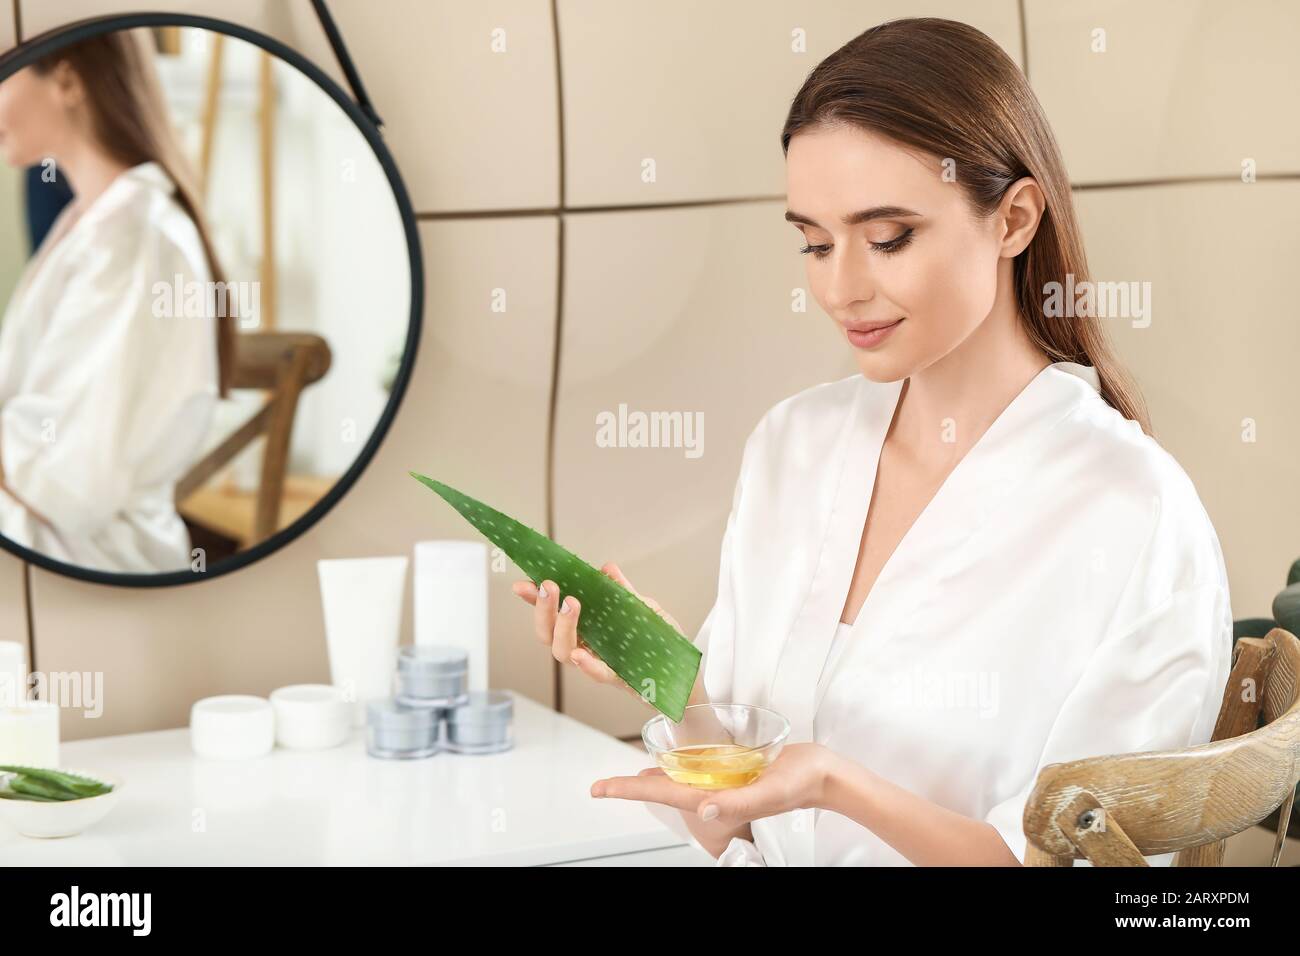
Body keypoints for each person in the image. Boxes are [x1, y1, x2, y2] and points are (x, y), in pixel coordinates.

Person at [512, 18, 1231, 866]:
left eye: (889, 239)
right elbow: (749, 807)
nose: (841, 287)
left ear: (1014, 220)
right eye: (814, 243)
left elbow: (1092, 868)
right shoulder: (794, 446)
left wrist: (833, 782)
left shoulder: (1132, 512)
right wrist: (665, 675)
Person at [0, 30, 234, 573]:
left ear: (65, 77)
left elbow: (71, 477)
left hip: (85, 562)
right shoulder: (90, 223)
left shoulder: (133, 237)